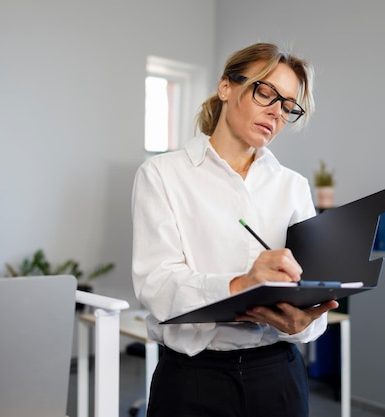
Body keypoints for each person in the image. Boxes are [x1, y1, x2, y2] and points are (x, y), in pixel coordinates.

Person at [131, 42, 339, 417]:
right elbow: (157, 285)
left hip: (278, 375)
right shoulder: (162, 175)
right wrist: (241, 284)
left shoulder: (292, 186)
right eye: (266, 93)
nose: (276, 112)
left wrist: (304, 323)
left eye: (288, 106)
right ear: (226, 87)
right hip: (193, 379)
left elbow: (311, 296)